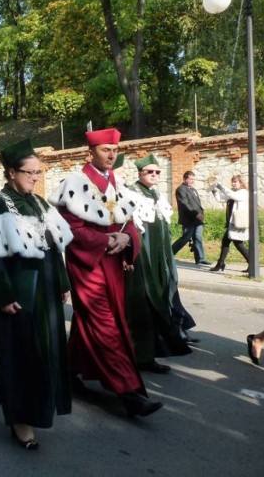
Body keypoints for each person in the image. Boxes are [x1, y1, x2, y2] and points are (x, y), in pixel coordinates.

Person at [49, 127, 163, 418]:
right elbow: (71, 231)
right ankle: (129, 393)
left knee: (91, 320)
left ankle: (71, 370)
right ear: (90, 153)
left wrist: (127, 239)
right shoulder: (75, 183)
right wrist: (107, 240)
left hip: (112, 263)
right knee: (105, 324)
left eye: (114, 149)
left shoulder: (116, 181)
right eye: (105, 149)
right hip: (88, 265)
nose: (111, 154)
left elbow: (128, 223)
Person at [0, 139, 73, 450]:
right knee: (20, 359)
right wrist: (1, 295)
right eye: (29, 172)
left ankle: (38, 411)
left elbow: (54, 249)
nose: (35, 177)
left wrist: (63, 282)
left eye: (38, 172)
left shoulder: (40, 203)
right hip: (17, 298)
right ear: (11, 173)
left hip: (46, 295)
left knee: (45, 356)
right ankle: (20, 422)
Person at [125, 155, 193, 373]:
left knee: (164, 297)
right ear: (140, 173)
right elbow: (129, 229)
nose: (154, 175)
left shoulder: (156, 194)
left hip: (160, 257)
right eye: (149, 172)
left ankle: (155, 350)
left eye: (157, 172)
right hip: (143, 259)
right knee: (144, 305)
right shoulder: (131, 193)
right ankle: (140, 356)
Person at [209, 175, 250, 272]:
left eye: (235, 182)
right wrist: (214, 190)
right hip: (231, 223)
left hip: (238, 223)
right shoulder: (233, 192)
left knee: (237, 243)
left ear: (241, 183)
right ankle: (221, 263)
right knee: (228, 242)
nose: (233, 183)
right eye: (232, 181)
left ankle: (221, 263)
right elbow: (220, 199)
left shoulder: (243, 192)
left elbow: (231, 195)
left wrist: (220, 186)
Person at [171, 171, 212, 265]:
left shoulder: (193, 189)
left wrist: (201, 214)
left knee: (198, 238)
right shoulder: (181, 189)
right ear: (185, 179)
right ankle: (169, 254)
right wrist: (195, 214)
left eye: (194, 179)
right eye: (191, 179)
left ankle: (200, 258)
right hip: (189, 219)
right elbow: (185, 204)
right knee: (185, 238)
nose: (193, 181)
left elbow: (197, 204)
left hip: (198, 219)